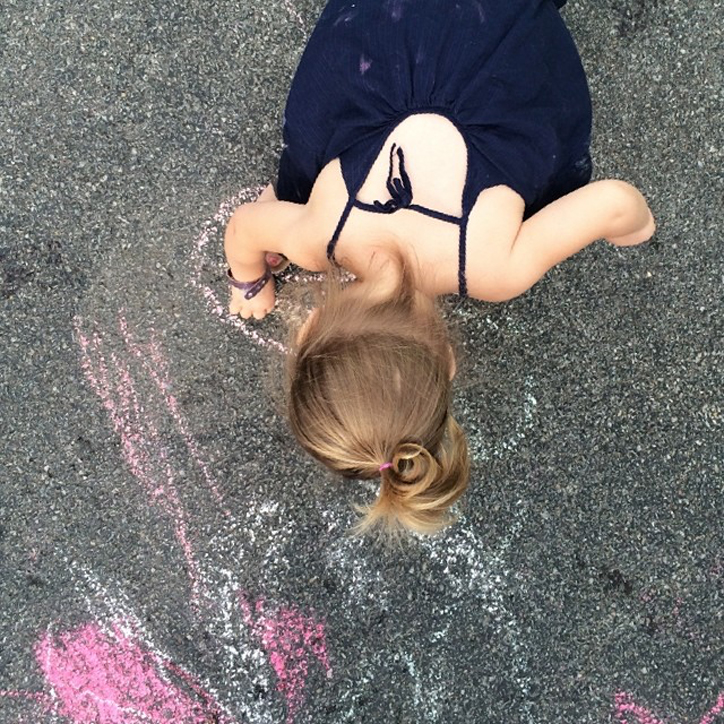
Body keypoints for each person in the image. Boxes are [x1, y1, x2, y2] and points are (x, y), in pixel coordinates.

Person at [223, 0, 656, 536]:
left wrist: (634, 229)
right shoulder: (318, 236)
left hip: (499, 46)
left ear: (447, 362)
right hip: (384, 34)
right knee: (299, 182)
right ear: (310, 326)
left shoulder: (493, 268)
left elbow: (614, 200)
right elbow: (244, 227)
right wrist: (249, 278)